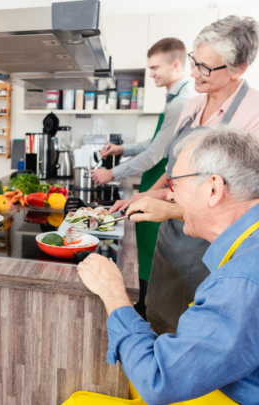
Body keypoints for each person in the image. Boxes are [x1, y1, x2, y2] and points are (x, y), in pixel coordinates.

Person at [76, 126, 259, 404]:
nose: (171, 197)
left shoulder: (243, 281)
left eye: (174, 185)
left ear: (214, 188)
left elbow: (158, 380)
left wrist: (113, 294)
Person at [111, 15, 259, 335]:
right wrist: (143, 196)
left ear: (238, 69)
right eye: (193, 61)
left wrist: (170, 209)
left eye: (205, 68)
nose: (193, 73)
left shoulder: (258, 109)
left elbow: (242, 201)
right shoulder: (193, 105)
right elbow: (174, 170)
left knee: (197, 333)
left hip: (213, 247)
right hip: (173, 239)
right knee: (158, 315)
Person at [91, 38, 197, 311]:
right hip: (155, 183)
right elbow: (155, 143)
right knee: (146, 254)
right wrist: (122, 148)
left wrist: (111, 172)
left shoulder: (181, 103)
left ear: (176, 64)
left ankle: (147, 313)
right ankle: (146, 309)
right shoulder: (174, 98)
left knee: (151, 258)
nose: (151, 74)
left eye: (154, 67)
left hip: (159, 186)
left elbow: (153, 156)